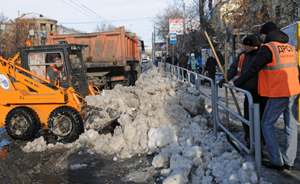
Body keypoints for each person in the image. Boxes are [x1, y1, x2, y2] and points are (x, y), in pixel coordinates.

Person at [229, 22, 300, 171]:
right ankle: (289, 161)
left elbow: (252, 69)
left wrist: (237, 83)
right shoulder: (291, 48)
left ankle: (276, 161)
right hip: (294, 91)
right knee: (291, 127)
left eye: (262, 34)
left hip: (279, 92)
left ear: (267, 34)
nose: (260, 37)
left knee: (266, 124)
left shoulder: (269, 48)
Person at [219, 35, 268, 147]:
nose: (243, 47)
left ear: (252, 46)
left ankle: (261, 141)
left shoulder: (262, 54)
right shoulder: (242, 56)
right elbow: (233, 68)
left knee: (261, 119)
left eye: (246, 45)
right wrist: (225, 78)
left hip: (263, 92)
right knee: (248, 117)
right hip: (249, 93)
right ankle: (250, 139)